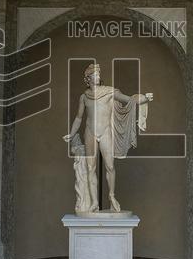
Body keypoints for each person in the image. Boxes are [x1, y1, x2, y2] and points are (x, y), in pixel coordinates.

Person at [62, 63, 154, 212]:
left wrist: (144, 98)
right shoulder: (84, 97)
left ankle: (111, 196)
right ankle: (94, 202)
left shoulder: (109, 92)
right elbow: (79, 118)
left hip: (105, 131)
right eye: (95, 75)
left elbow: (128, 100)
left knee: (110, 166)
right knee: (90, 168)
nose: (98, 77)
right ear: (89, 78)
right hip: (90, 132)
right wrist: (72, 133)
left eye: (99, 74)